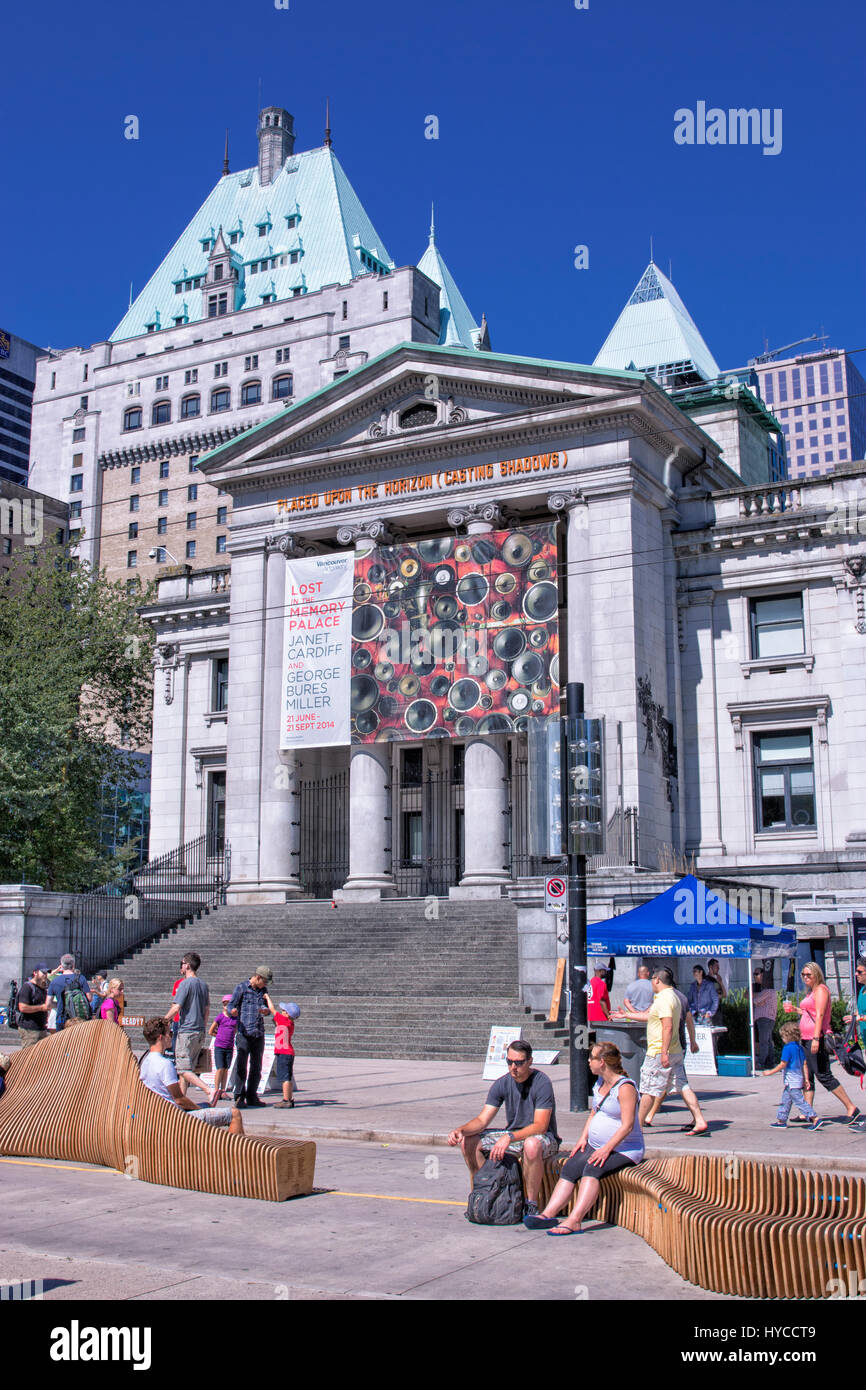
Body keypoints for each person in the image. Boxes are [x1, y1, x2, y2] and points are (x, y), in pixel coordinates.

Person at [524, 1041, 644, 1234]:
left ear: (602, 1062)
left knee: (591, 1168)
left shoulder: (625, 1087)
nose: (588, 1061)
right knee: (571, 1167)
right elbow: (594, 1113)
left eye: (592, 1057)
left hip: (624, 1149)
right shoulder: (599, 1083)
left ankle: (575, 1219)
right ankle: (548, 1214)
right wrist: (583, 1138)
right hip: (596, 1145)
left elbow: (628, 1125)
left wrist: (606, 1149)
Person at [447, 1039, 560, 1218]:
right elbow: (483, 1119)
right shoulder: (502, 1083)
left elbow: (540, 1126)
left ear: (529, 1062)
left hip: (544, 1138)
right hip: (514, 1135)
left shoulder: (542, 1082)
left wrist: (509, 1137)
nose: (513, 1067)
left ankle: (531, 1204)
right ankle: (483, 1192)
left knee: (531, 1145)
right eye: (509, 1062)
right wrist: (461, 1130)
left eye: (519, 1063)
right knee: (470, 1140)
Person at [631, 967, 710, 1137]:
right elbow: (651, 1016)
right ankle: (700, 1119)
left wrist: (664, 1052)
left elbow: (667, 1026)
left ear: (657, 980)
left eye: (652, 978)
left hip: (659, 1051)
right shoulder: (674, 996)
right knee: (683, 1085)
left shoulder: (663, 999)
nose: (651, 982)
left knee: (649, 1089)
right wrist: (626, 1015)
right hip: (676, 1051)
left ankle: (636, 1126)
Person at [139, 1018, 242, 1133]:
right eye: (170, 1033)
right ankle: (238, 1150)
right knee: (234, 1114)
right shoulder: (164, 1064)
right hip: (175, 1119)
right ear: (161, 1037)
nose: (172, 1037)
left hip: (159, 1116)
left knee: (206, 1106)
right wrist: (198, 1109)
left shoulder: (145, 1062)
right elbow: (179, 1099)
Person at [786, 962, 860, 1123]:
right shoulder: (812, 991)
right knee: (808, 1076)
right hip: (805, 1038)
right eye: (803, 975)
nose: (805, 978)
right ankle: (806, 1111)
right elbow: (809, 1012)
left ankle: (851, 1107)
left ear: (816, 975)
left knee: (823, 1075)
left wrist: (815, 1039)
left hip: (815, 1037)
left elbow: (819, 1016)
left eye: (808, 975)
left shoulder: (820, 990)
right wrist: (795, 1010)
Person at [164, 953, 213, 1103]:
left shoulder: (184, 984)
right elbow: (207, 1010)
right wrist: (203, 1028)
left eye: (182, 963)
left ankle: (208, 1090)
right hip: (199, 1031)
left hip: (186, 1030)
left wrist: (164, 1020)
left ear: (187, 965)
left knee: (182, 1069)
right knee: (187, 1069)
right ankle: (181, 1101)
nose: (181, 966)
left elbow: (177, 1006)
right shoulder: (203, 985)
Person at [761, 1022, 824, 1130]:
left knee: (799, 1101)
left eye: (783, 1036)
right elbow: (804, 1064)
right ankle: (781, 1120)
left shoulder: (787, 1048)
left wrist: (770, 1072)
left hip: (791, 1081)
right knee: (786, 1100)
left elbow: (783, 1064)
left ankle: (814, 1118)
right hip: (797, 1079)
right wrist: (806, 1079)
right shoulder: (799, 1048)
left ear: (786, 1036)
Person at [228, 966, 275, 1108]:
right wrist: (233, 1011)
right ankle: (239, 1096)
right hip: (244, 1033)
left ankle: (252, 1096)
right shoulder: (241, 988)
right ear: (258, 977)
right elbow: (231, 1005)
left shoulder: (263, 991)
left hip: (258, 1033)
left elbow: (265, 1009)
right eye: (265, 982)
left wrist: (265, 1011)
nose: (265, 985)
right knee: (242, 1066)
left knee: (256, 1066)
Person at [845, 958, 866, 1133]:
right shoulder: (862, 991)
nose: (856, 974)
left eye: (859, 972)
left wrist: (859, 1018)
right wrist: (855, 1018)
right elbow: (860, 1012)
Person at [46, 955, 92, 1031]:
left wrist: (62, 1003)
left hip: (62, 1018)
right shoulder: (81, 978)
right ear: (73, 965)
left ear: (61, 965)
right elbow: (89, 998)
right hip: (80, 1019)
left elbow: (48, 1004)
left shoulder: (55, 981)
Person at [208, 995, 238, 1104]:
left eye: (229, 1004)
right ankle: (216, 1089)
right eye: (225, 1004)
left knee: (226, 1068)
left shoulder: (235, 1019)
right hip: (220, 1046)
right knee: (220, 1068)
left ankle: (223, 1089)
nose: (226, 1006)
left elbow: (235, 1030)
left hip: (229, 1046)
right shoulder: (220, 1017)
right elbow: (211, 1031)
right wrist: (219, 1036)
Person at [273, 1001, 300, 1109]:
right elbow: (276, 1022)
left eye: (284, 1010)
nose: (282, 1011)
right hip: (289, 1052)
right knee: (287, 1076)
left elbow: (272, 1010)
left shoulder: (284, 1020)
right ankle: (289, 1099)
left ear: (287, 1014)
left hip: (284, 1053)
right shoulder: (289, 1023)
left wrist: (266, 997)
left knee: (285, 1078)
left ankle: (286, 1100)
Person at [16, 965, 49, 1048]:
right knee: (29, 1057)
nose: (45, 975)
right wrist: (41, 1008)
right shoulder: (27, 987)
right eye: (43, 973)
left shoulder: (42, 988)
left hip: (41, 1028)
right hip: (30, 1030)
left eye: (47, 973)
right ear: (35, 973)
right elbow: (22, 1007)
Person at [753, 968, 779, 1070]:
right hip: (767, 1018)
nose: (755, 976)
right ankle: (770, 1062)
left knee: (764, 1041)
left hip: (765, 1018)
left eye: (757, 974)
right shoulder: (767, 991)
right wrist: (759, 1000)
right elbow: (756, 1000)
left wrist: (759, 1000)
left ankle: (761, 1062)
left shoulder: (768, 991)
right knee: (768, 1041)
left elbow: (755, 1000)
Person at [706, 959, 727, 1026]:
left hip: (718, 1010)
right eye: (716, 966)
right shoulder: (706, 980)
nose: (718, 968)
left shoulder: (716, 980)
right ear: (710, 967)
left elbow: (724, 994)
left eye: (718, 966)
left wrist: (720, 982)